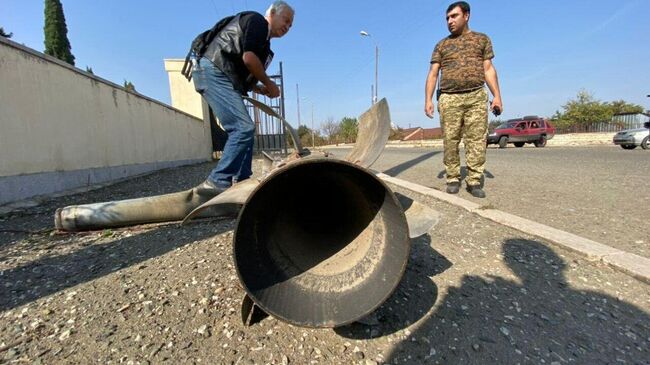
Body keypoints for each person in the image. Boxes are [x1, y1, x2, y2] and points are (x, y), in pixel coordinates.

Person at [191, 1, 294, 195]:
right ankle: (217, 183)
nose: (287, 27)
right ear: (272, 13)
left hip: (220, 71)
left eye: (290, 26)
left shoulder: (264, 41)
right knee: (243, 128)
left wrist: (260, 88)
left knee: (245, 131)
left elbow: (242, 69)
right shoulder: (258, 22)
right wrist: (270, 83)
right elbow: (248, 59)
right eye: (286, 20)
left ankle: (242, 184)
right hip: (213, 70)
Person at [424, 1, 502, 198]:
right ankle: (452, 177)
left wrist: (497, 96)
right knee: (450, 140)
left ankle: (474, 180)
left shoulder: (481, 40)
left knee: (476, 140)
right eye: (447, 18)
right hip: (449, 98)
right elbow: (433, 74)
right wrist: (428, 100)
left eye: (454, 16)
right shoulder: (442, 45)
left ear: (466, 16)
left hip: (476, 95)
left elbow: (488, 69)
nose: (450, 21)